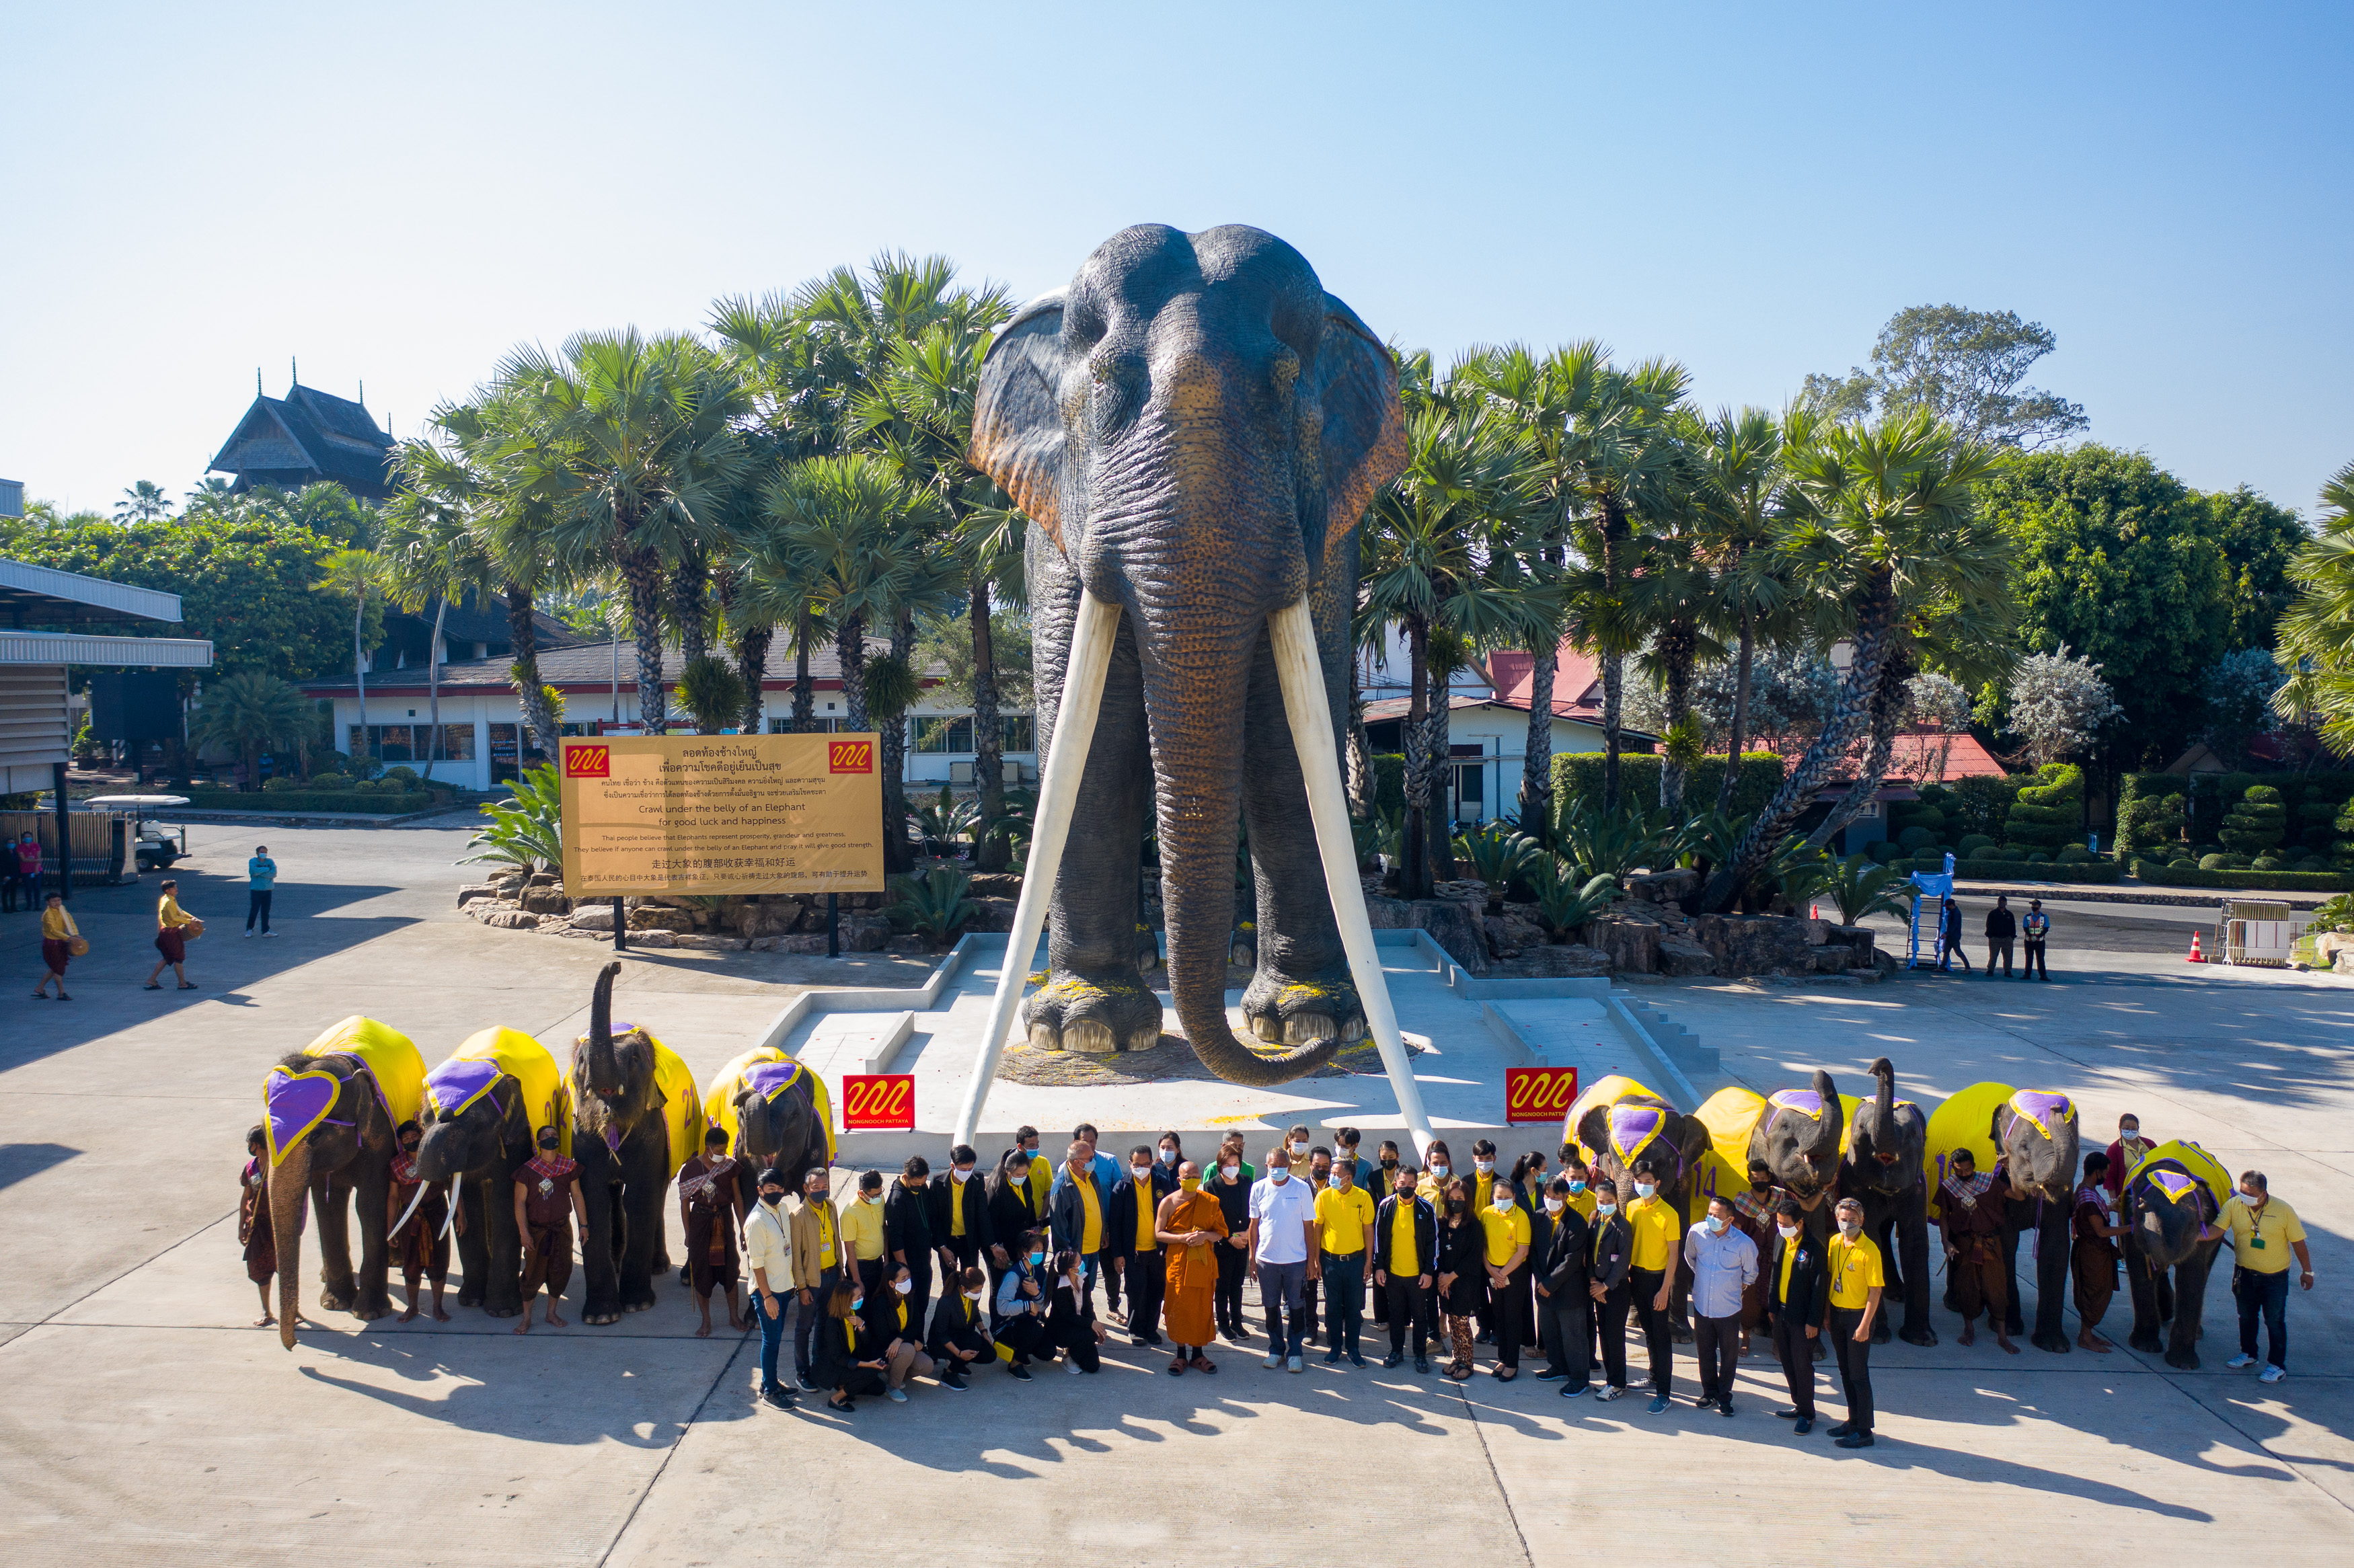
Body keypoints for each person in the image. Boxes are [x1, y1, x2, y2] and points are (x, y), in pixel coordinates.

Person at [2222, 1169, 2313, 1384]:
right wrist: (2197, 1235)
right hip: (2244, 1274)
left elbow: (2299, 1243)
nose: (2245, 1198)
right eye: (2242, 1192)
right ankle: (2249, 1354)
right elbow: (2217, 1228)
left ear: (2264, 1193)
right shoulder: (2235, 1205)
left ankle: (2277, 1365)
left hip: (2275, 1278)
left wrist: (2307, 1271)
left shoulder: (2283, 1210)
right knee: (2246, 1316)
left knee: (2274, 1321)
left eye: (2251, 1195)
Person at [1934, 1146, 2016, 1354]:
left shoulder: (1989, 1182)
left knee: (1996, 1287)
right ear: (1953, 1168)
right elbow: (1944, 1215)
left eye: (1967, 1170)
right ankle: (1969, 1329)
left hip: (1990, 1242)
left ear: (1974, 1166)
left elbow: (2018, 1195)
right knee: (1967, 1287)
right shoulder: (1949, 1187)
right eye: (1958, 1170)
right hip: (1965, 1243)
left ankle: (2002, 1336)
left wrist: (2012, 1170)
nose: (1963, 1174)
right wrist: (1946, 1242)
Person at [1685, 1193, 1759, 1415]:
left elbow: (1751, 1273)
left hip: (1729, 1309)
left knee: (1729, 1355)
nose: (1711, 1218)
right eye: (1709, 1213)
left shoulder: (1744, 1243)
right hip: (1702, 1306)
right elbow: (1691, 1259)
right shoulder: (1696, 1233)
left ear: (1729, 1219)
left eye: (1717, 1216)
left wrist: (1738, 1287)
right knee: (1705, 1352)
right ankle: (1709, 1393)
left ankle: (1724, 1396)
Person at [1248, 1144, 1318, 1372]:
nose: (1277, 1170)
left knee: (1297, 1307)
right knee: (1270, 1307)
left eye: (1281, 1166)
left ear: (1289, 1166)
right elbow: (1254, 1225)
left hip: (1296, 1261)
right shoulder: (1258, 1188)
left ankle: (1295, 1352)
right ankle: (1276, 1349)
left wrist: (1311, 1260)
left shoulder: (1301, 1188)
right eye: (1273, 1166)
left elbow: (1310, 1226)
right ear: (1266, 1166)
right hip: (1267, 1260)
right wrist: (1252, 1256)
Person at [1762, 1197, 1829, 1433]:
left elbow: (1819, 1290)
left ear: (1800, 1223)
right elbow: (1774, 1273)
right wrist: (1771, 1307)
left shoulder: (1815, 1248)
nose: (1781, 1226)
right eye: (1778, 1222)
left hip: (1802, 1319)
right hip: (1780, 1313)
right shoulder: (1781, 1239)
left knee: (1803, 1365)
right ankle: (1798, 1405)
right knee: (1787, 1362)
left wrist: (1814, 1322)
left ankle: (1808, 1414)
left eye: (1786, 1223)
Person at [1157, 1161, 1227, 1375]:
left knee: (1201, 1307)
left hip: (1202, 1263)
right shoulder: (1168, 1202)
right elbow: (1159, 1233)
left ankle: (1198, 1354)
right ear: (1179, 1179)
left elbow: (1221, 1232)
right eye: (1188, 1177)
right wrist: (1182, 1238)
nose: (1193, 1180)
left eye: (1197, 1176)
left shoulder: (1210, 1201)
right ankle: (1180, 1355)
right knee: (1178, 1306)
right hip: (1178, 1263)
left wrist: (1205, 1236)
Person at [513, 1127, 586, 1334]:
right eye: (546, 1136)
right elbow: (519, 1202)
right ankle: (526, 1319)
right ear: (538, 1143)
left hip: (561, 1229)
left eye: (554, 1135)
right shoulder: (528, 1171)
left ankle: (551, 1313)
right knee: (532, 1274)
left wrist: (584, 1225)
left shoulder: (568, 1167)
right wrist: (523, 1232)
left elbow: (577, 1195)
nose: (551, 1138)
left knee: (560, 1271)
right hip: (537, 1232)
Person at [677, 1127, 747, 1337]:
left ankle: (734, 1317)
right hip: (701, 1220)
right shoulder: (690, 1169)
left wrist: (743, 1229)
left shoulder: (729, 1166)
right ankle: (706, 1321)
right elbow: (684, 1204)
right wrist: (688, 1233)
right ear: (708, 1148)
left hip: (724, 1220)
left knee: (730, 1268)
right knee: (701, 1269)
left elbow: (738, 1199)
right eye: (719, 1149)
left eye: (725, 1149)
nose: (723, 1153)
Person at [1826, 1198, 1885, 1448]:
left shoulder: (1869, 1250)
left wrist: (1864, 1326)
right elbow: (1831, 1277)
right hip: (1838, 1313)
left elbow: (1875, 1291)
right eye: (1843, 1219)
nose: (1847, 1224)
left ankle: (1864, 1431)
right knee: (1845, 1371)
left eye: (1852, 1220)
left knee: (1859, 1374)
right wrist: (1828, 1315)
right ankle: (1853, 1419)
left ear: (1861, 1221)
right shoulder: (1835, 1242)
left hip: (1858, 1316)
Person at [1624, 1155, 1680, 1413]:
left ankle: (1664, 1393)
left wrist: (1665, 1289)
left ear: (1657, 1183)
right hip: (1637, 1276)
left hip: (1658, 1278)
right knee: (1648, 1332)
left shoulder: (1669, 1213)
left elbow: (1674, 1255)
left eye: (1647, 1181)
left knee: (1661, 1335)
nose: (1642, 1185)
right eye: (1638, 1181)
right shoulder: (1632, 1207)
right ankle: (1654, 1375)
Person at [1533, 1176, 1594, 1393]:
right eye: (1548, 1196)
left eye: (1556, 1197)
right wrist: (1541, 1281)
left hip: (1569, 1290)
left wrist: (1550, 1283)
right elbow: (1534, 1252)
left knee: (1574, 1337)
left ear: (1566, 1196)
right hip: (1544, 1289)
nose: (1551, 1200)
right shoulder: (1539, 1217)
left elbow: (1572, 1260)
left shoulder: (1577, 1223)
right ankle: (1557, 1366)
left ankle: (1579, 1379)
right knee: (1550, 1332)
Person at [388, 1120, 453, 1323]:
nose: (411, 1141)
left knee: (439, 1261)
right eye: (406, 1139)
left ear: (422, 1136)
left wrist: (459, 1213)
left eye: (415, 1137)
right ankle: (413, 1307)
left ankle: (437, 1307)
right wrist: (391, 1228)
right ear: (401, 1142)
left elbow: (452, 1186)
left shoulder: (436, 1158)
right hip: (410, 1219)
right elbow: (393, 1196)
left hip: (437, 1213)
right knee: (411, 1264)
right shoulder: (397, 1164)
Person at [1315, 1151, 1375, 1366]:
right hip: (1330, 1261)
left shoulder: (1363, 1197)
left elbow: (1368, 1230)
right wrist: (1315, 1259)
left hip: (1355, 1262)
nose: (1331, 1176)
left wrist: (1369, 1261)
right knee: (1332, 1307)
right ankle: (1334, 1347)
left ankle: (1353, 1349)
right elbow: (1317, 1228)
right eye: (1331, 1172)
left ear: (1348, 1178)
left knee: (1353, 1308)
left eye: (1335, 1173)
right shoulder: (1323, 1196)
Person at [1110, 1144, 1174, 1347]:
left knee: (1156, 1291)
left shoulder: (1162, 1184)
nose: (1141, 1168)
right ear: (1130, 1164)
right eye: (1137, 1164)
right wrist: (1118, 1254)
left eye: (1146, 1164)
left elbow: (1172, 1216)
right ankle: (1136, 1329)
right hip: (1133, 1253)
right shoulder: (1122, 1188)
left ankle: (1151, 1329)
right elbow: (1115, 1224)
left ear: (1152, 1163)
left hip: (1158, 1250)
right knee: (1136, 1292)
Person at [1373, 1166, 1436, 1372]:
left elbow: (1432, 1242)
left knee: (1420, 1316)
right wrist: (1380, 1267)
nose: (1406, 1187)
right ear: (1395, 1184)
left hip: (1418, 1276)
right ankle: (1396, 1352)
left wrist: (1429, 1271)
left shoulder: (1426, 1209)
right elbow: (1379, 1240)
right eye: (1402, 1183)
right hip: (1393, 1275)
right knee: (1396, 1315)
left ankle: (1420, 1355)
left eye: (1410, 1183)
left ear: (1416, 1185)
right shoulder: (1385, 1206)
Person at [745, 1167, 797, 1408]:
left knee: (775, 1339)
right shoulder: (756, 1221)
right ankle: (770, 1391)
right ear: (760, 1190)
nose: (776, 1192)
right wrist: (767, 1297)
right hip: (769, 1292)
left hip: (784, 1287)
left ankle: (770, 1382)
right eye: (770, 1189)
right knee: (771, 1340)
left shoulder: (782, 1209)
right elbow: (756, 1264)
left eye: (779, 1188)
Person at [790, 1165, 842, 1392]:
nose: (821, 1190)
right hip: (812, 1281)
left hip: (832, 1275)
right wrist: (802, 1288)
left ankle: (819, 1367)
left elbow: (836, 1239)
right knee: (805, 1326)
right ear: (806, 1188)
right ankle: (802, 1372)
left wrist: (841, 1272)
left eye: (825, 1187)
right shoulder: (798, 1216)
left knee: (825, 1323)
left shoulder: (830, 1207)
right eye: (816, 1187)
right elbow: (795, 1257)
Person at [1476, 1176, 1532, 1380]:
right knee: (1498, 1315)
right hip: (1492, 1271)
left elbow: (1523, 1251)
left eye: (1507, 1197)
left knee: (1512, 1317)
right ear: (1493, 1197)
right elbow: (1482, 1244)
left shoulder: (1521, 1216)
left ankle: (1513, 1363)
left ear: (1514, 1197)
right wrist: (1491, 1269)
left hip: (1514, 1273)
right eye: (1499, 1197)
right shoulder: (1486, 1213)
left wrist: (1502, 1273)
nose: (1503, 1200)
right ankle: (1503, 1358)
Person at [1726, 1159, 1782, 1356]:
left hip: (1777, 1257)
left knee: (1777, 1298)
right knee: (1749, 1300)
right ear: (1750, 1178)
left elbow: (1802, 1209)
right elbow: (1737, 1232)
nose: (1759, 1181)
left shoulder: (1780, 1197)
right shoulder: (1742, 1201)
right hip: (1752, 1258)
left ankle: (1778, 1342)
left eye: (1763, 1178)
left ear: (1769, 1178)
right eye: (1755, 1178)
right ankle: (1746, 1338)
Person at [1435, 1177, 1486, 1381]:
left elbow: (1473, 1258)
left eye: (1460, 1198)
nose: (1456, 1201)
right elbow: (1438, 1251)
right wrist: (1442, 1277)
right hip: (1445, 1282)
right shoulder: (1443, 1223)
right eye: (1452, 1198)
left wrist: (1451, 1277)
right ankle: (1457, 1358)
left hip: (1464, 1282)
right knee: (1453, 1322)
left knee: (1462, 1323)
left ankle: (1468, 1363)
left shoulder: (1474, 1226)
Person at [1047, 1140, 1108, 1308]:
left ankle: (1088, 1319)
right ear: (1077, 1162)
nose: (1093, 1160)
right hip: (1077, 1256)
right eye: (1090, 1158)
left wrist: (1103, 1233)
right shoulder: (1061, 1189)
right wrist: (1069, 1258)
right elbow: (1059, 1228)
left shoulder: (1090, 1175)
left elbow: (1098, 1205)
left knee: (1087, 1290)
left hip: (1094, 1249)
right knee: (1073, 1294)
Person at [1587, 1182, 1634, 1401]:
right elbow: (1589, 1253)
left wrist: (1605, 1286)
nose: (1604, 1205)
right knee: (1604, 1335)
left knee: (1615, 1337)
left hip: (1615, 1288)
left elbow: (1623, 1261)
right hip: (1598, 1287)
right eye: (1601, 1201)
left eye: (1609, 1201)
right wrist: (1594, 1282)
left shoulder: (1623, 1226)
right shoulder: (1595, 1220)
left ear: (1617, 1201)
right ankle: (1610, 1379)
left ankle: (1618, 1383)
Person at [2072, 1152, 2123, 1354]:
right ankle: (2085, 1337)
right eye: (2105, 1173)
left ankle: (2088, 1333)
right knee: (2093, 1293)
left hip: (2093, 1251)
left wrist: (2111, 1207)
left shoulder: (2086, 1191)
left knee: (2096, 1291)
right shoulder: (2088, 1199)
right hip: (2093, 1253)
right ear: (2097, 1172)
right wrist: (2131, 1228)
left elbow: (2096, 1216)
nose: (2106, 1177)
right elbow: (2101, 1230)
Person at [815, 1277, 889, 1413]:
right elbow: (838, 1358)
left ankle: (847, 1386)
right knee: (871, 1373)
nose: (861, 1298)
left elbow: (867, 1343)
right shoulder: (833, 1323)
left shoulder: (856, 1313)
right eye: (858, 1297)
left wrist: (861, 1326)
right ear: (847, 1301)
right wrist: (868, 1365)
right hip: (836, 1368)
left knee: (879, 1388)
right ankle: (836, 1398)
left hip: (851, 1362)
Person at [238, 1125, 285, 1328]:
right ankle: (267, 1311)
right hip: (257, 1228)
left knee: (285, 1268)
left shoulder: (280, 1166)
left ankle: (292, 1309)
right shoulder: (251, 1168)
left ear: (257, 1144)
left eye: (250, 1143)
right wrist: (242, 1226)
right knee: (260, 1269)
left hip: (278, 1226)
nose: (249, 1147)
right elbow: (246, 1197)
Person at [884, 1155, 937, 1329]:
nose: (920, 1186)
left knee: (922, 1304)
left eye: (923, 1182)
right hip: (908, 1264)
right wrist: (904, 1269)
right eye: (917, 1183)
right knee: (910, 1306)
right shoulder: (896, 1200)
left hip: (923, 1261)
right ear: (906, 1177)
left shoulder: (922, 1189)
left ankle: (920, 1342)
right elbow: (895, 1237)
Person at [1209, 1139, 1254, 1341]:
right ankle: (1224, 1324)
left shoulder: (1246, 1182)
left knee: (1238, 1285)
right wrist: (1231, 1237)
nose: (1232, 1168)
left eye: (1236, 1164)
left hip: (1244, 1241)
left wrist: (1247, 1233)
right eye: (1228, 1165)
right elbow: (1213, 1217)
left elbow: (1253, 1211)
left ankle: (1237, 1321)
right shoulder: (1212, 1186)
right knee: (1223, 1286)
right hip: (1223, 1244)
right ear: (1220, 1166)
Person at [872, 1261, 938, 1401]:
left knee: (926, 1365)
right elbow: (882, 1336)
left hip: (902, 1345)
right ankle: (892, 1387)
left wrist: (901, 1339)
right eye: (903, 1279)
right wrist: (910, 1342)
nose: (908, 1281)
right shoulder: (880, 1303)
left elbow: (917, 1324)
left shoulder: (910, 1297)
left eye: (908, 1276)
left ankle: (895, 1375)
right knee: (908, 1349)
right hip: (885, 1351)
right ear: (891, 1284)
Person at [991, 1228, 1051, 1380]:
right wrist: (1028, 1305)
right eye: (1036, 1249)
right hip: (1007, 1326)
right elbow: (1002, 1308)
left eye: (1042, 1249)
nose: (1040, 1253)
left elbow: (1043, 1306)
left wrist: (1036, 1294)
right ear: (1025, 1252)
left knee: (1048, 1351)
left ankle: (1022, 1350)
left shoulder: (1040, 1272)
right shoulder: (1014, 1274)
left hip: (1025, 1323)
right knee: (1036, 1330)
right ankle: (1015, 1364)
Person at [927, 1265, 993, 1390]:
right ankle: (949, 1374)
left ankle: (958, 1363)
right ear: (963, 1288)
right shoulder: (946, 1302)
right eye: (976, 1291)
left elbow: (975, 1313)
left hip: (962, 1336)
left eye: (981, 1290)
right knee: (974, 1342)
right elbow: (941, 1335)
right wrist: (959, 1353)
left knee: (989, 1354)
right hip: (942, 1343)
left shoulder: (972, 1296)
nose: (979, 1294)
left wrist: (984, 1331)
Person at [840, 1169, 890, 1335]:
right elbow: (850, 1250)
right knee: (863, 1311)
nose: (878, 1197)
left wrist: (887, 1259)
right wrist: (857, 1280)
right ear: (861, 1193)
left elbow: (884, 1229)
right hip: (861, 1269)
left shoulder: (879, 1199)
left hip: (879, 1264)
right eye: (873, 1195)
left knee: (879, 1308)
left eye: (880, 1193)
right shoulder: (850, 1213)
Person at [1047, 1249, 1109, 1374]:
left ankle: (1074, 1350)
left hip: (1079, 1326)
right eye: (1079, 1262)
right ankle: (1068, 1359)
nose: (1082, 1264)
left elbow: (1088, 1306)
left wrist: (1098, 1327)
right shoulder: (1060, 1286)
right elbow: (1068, 1316)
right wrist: (1091, 1325)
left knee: (1093, 1366)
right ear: (1071, 1270)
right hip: (1062, 1329)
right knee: (1091, 1333)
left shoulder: (1084, 1279)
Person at [145, 878, 198, 990]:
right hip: (171, 934)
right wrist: (190, 922)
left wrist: (191, 917)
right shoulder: (168, 902)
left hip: (166, 933)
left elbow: (180, 911)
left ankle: (152, 980)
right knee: (179, 958)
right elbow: (174, 917)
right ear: (168, 890)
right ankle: (182, 983)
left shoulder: (168, 899)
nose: (176, 889)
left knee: (167, 958)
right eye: (174, 888)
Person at [2104, 1113, 2155, 1202]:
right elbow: (2109, 1178)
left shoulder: (2150, 1145)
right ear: (2120, 1128)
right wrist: (2114, 1201)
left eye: (2134, 1129)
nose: (2130, 1131)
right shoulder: (2114, 1150)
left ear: (2138, 1129)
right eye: (2127, 1128)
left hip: (2151, 1195)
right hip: (2128, 1197)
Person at [36, 892, 77, 1001]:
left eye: (59, 900)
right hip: (51, 944)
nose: (57, 903)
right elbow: (53, 930)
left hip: (61, 942)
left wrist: (75, 935)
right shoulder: (48, 914)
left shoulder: (62, 909)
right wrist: (69, 938)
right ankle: (61, 993)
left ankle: (40, 988)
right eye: (54, 901)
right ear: (48, 903)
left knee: (56, 968)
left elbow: (70, 922)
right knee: (58, 969)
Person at [245, 845, 279, 937]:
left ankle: (265, 930)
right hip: (256, 890)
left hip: (268, 889)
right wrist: (266, 870)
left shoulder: (270, 861)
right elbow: (253, 872)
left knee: (265, 911)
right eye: (261, 852)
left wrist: (260, 873)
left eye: (265, 852)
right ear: (257, 853)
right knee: (254, 910)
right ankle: (249, 929)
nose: (263, 854)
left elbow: (273, 873)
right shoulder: (253, 861)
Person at [1937, 896, 1973, 973]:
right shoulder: (1953, 912)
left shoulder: (1956, 913)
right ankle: (1942, 967)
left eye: (1947, 906)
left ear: (1952, 905)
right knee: (1946, 951)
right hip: (1951, 936)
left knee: (1958, 952)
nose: (1946, 908)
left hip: (1954, 936)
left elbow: (1954, 925)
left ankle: (1968, 967)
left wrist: (1946, 934)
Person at [8, 832, 41, 913]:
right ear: (23, 838)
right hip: (26, 871)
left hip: (37, 870)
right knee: (28, 888)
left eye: (29, 837)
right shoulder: (20, 847)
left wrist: (36, 868)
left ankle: (38, 905)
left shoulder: (36, 845)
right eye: (26, 837)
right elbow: (23, 859)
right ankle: (29, 905)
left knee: (37, 888)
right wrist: (36, 860)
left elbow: (39, 857)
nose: (28, 838)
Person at [1983, 894, 2015, 978]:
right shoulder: (1993, 913)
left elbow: (2013, 927)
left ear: (2006, 903)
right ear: (1998, 902)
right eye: (2000, 901)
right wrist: (1991, 936)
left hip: (2007, 939)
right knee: (1993, 955)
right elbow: (1988, 925)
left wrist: (2012, 937)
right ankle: (1990, 970)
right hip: (1995, 939)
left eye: (2003, 902)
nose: (2001, 903)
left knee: (2008, 956)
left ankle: (2008, 971)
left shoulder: (2009, 914)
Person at [2021, 898, 2051, 980]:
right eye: (2032, 905)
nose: (2033, 907)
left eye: (2035, 905)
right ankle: (2027, 974)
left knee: (2040, 958)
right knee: (2029, 958)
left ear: (2039, 907)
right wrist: (2031, 936)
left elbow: (2046, 929)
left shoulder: (2044, 917)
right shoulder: (2027, 917)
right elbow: (2025, 928)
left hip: (2040, 942)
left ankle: (2043, 975)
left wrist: (2037, 937)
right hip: (2029, 941)